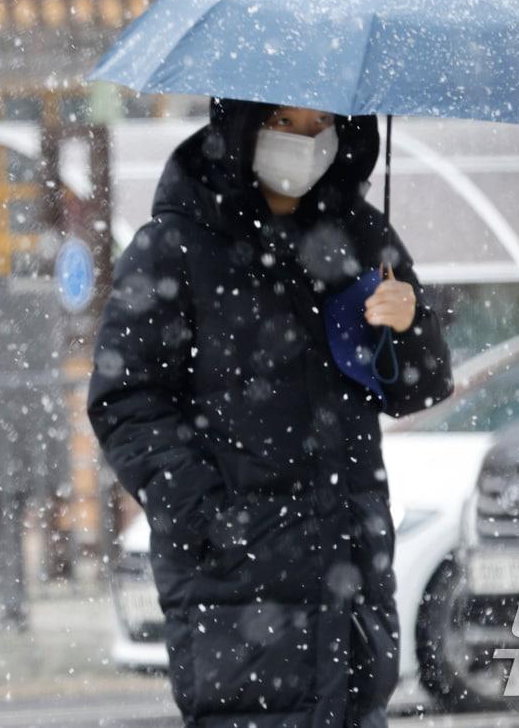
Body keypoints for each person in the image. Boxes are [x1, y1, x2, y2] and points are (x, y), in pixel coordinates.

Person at [88, 99, 453, 728]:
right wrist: (209, 519)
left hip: (352, 570)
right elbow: (125, 400)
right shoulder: (176, 247)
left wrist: (409, 321)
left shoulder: (360, 239)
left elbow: (418, 387)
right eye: (285, 123)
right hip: (234, 584)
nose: (305, 142)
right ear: (242, 125)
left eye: (321, 126)